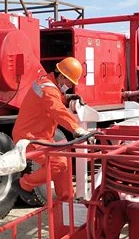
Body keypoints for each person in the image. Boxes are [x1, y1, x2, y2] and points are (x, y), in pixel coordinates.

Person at [12, 57, 89, 202]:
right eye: (69, 83)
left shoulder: (48, 83)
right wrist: (76, 128)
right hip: (29, 137)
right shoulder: (48, 89)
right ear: (61, 76)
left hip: (39, 135)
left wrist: (67, 97)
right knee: (58, 163)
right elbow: (56, 109)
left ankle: (66, 202)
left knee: (63, 164)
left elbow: (53, 99)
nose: (70, 86)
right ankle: (24, 185)